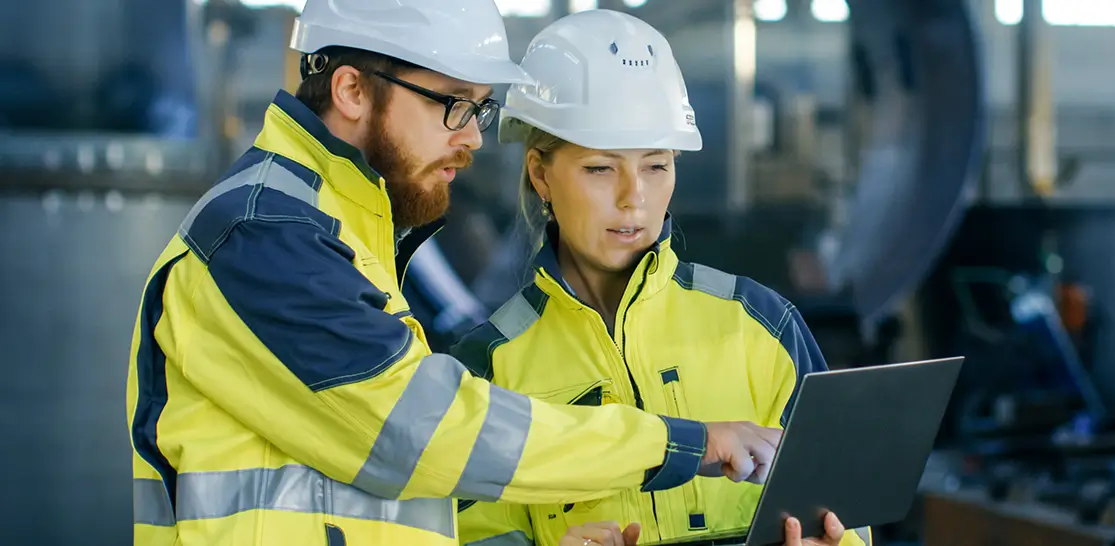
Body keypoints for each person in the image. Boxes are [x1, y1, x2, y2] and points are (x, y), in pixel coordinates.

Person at [124, 2, 784, 545]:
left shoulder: (345, 231)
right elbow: (424, 436)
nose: (471, 137)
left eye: (479, 108)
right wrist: (677, 445)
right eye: (452, 104)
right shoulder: (265, 235)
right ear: (352, 89)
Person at [448, 10, 871, 546]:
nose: (634, 198)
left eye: (656, 165)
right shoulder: (488, 369)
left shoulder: (761, 326)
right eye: (600, 168)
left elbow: (846, 510)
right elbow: (463, 532)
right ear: (540, 174)